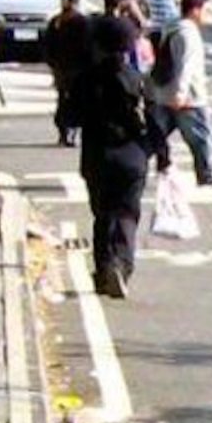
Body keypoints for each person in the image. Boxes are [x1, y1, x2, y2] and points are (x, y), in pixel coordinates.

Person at [74, 15, 150, 299]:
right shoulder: (136, 79)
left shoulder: (86, 79)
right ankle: (122, 264)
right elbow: (151, 121)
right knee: (128, 213)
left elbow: (69, 116)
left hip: (97, 154)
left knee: (103, 213)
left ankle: (104, 267)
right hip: (132, 155)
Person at [147, 0, 212, 190]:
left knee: (156, 136)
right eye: (205, 10)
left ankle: (152, 166)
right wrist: (181, 93)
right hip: (188, 99)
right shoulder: (189, 34)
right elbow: (185, 66)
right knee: (200, 139)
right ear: (195, 10)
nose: (206, 15)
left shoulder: (171, 27)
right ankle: (205, 177)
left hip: (163, 93)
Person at [44, 0, 90, 147]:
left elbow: (86, 46)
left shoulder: (81, 22)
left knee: (75, 101)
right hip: (62, 68)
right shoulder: (56, 21)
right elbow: (48, 45)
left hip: (77, 69)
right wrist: (52, 64)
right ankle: (64, 132)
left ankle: (72, 132)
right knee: (63, 100)